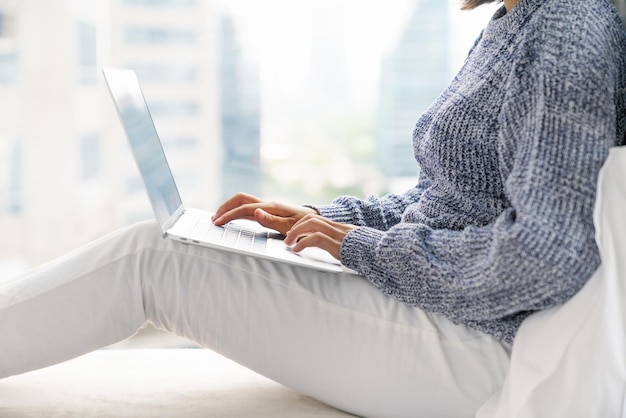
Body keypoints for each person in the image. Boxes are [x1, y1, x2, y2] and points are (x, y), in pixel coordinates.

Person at [1, 0, 625, 416]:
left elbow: (546, 256)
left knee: (151, 258)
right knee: (170, 245)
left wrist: (357, 247)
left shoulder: (566, 28)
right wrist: (321, 221)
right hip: (443, 303)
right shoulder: (515, 19)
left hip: (481, 344)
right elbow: (448, 201)